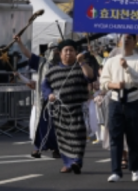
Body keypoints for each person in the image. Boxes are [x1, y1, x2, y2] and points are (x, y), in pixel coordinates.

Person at [100, 34, 138, 183]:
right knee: (115, 137)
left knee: (134, 137)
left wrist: (127, 68)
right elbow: (103, 82)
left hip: (133, 101)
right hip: (115, 101)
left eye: (129, 38)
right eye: (123, 38)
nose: (126, 40)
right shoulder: (111, 60)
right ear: (119, 41)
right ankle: (116, 171)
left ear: (135, 41)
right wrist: (113, 85)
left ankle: (135, 168)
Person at [42, 39, 95, 174]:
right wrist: (49, 95)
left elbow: (90, 77)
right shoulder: (52, 71)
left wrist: (82, 62)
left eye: (72, 50)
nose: (69, 53)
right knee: (63, 137)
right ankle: (67, 163)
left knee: (78, 135)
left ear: (76, 52)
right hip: (60, 109)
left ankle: (76, 161)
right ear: (60, 54)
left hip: (78, 108)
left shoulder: (81, 67)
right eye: (66, 50)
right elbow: (45, 86)